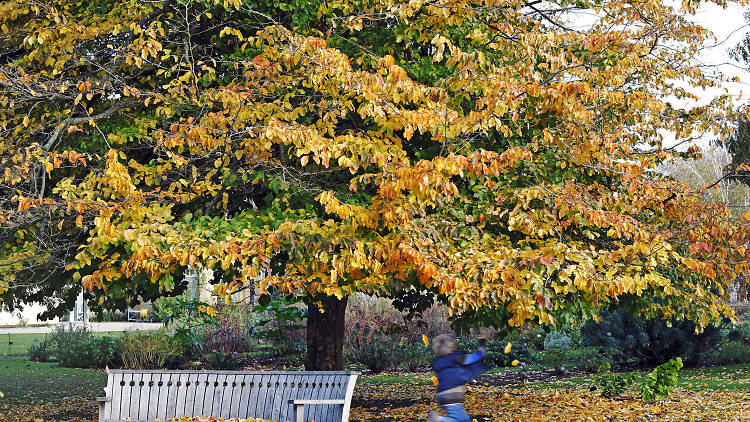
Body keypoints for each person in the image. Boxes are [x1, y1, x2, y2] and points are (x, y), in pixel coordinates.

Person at [428, 333, 488, 422]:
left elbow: (450, 375)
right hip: (453, 395)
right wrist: (482, 342)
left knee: (463, 419)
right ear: (451, 345)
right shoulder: (457, 358)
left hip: (442, 395)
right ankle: (439, 420)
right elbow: (477, 356)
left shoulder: (439, 362)